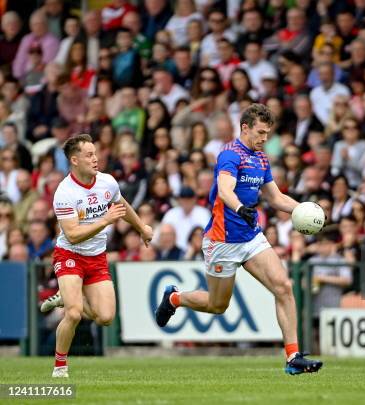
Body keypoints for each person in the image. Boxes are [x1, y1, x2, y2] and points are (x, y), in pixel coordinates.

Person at [154, 104, 322, 375]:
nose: (264, 138)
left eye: (267, 133)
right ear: (245, 127)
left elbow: (276, 197)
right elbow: (224, 189)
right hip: (222, 240)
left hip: (251, 237)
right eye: (260, 132)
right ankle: (174, 298)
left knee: (283, 286)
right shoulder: (230, 154)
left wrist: (304, 209)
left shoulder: (261, 158)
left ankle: (293, 358)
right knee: (217, 305)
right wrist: (240, 207)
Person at [39, 134, 153, 378]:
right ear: (74, 160)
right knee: (74, 313)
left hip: (97, 257)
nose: (95, 158)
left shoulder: (107, 182)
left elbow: (121, 204)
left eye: (95, 153)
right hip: (70, 254)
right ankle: (60, 366)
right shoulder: (64, 192)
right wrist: (105, 220)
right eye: (89, 155)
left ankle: (69, 296)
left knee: (105, 317)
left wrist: (141, 228)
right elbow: (72, 236)